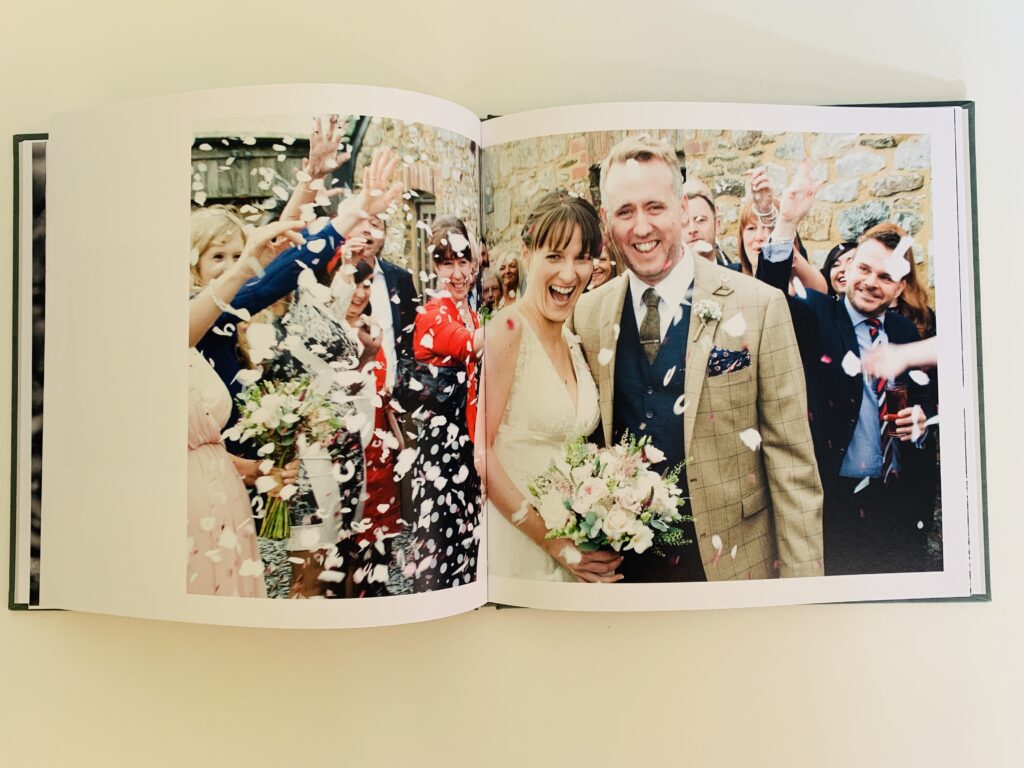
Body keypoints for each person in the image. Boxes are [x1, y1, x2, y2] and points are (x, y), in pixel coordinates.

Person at [572, 134, 824, 582]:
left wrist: (802, 593)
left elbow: (792, 466)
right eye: (626, 212)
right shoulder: (587, 314)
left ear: (683, 211)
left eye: (655, 207)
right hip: (625, 578)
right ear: (608, 223)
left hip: (732, 568)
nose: (642, 227)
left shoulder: (760, 306)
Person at [759, 193, 937, 574]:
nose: (871, 283)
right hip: (835, 502)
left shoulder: (906, 330)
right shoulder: (816, 314)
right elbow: (767, 297)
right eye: (864, 269)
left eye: (885, 277)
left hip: (898, 505)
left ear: (900, 288)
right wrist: (786, 222)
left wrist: (924, 419)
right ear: (849, 267)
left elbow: (932, 399)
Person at [485, 190, 622, 583]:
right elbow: (483, 456)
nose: (569, 273)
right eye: (555, 256)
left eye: (582, 258)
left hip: (574, 546)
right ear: (526, 253)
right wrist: (555, 545)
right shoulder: (508, 330)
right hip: (523, 546)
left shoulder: (573, 339)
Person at [187, 219, 307, 598]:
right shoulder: (195, 318)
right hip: (199, 495)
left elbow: (262, 273)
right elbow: (268, 280)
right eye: (217, 256)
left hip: (230, 493)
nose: (230, 264)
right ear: (194, 265)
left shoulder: (226, 326)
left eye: (237, 255)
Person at [409, 216, 484, 591]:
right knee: (442, 539)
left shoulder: (471, 313)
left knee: (467, 536)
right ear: (433, 268)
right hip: (442, 447)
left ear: (474, 262)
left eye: (462, 261)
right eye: (446, 263)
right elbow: (467, 345)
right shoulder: (433, 312)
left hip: (467, 441)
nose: (457, 273)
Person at [684, 189, 735, 268]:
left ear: (717, 226)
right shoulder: (667, 279)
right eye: (684, 223)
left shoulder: (737, 276)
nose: (692, 229)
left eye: (700, 220)